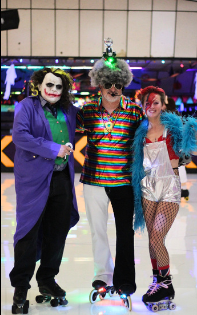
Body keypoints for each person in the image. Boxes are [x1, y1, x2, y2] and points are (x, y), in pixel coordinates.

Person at [129, 86, 197, 311]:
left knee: (156, 238)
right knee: (152, 241)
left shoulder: (174, 127)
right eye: (147, 102)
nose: (150, 106)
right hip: (147, 186)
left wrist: (194, 138)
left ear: (163, 105)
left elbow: (196, 145)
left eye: (155, 102)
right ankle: (157, 281)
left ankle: (166, 284)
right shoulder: (140, 131)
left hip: (169, 186)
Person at [10, 67, 80, 314]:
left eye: (59, 87)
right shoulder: (27, 106)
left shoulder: (68, 109)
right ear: (39, 84)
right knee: (28, 232)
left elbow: (93, 121)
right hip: (34, 179)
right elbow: (20, 136)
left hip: (61, 178)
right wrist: (54, 148)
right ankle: (20, 286)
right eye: (49, 85)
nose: (53, 90)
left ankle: (47, 279)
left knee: (57, 232)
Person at [77, 53, 143, 303]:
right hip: (93, 180)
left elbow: (145, 142)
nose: (113, 89)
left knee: (125, 232)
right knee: (97, 231)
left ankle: (125, 279)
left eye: (118, 84)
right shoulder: (87, 111)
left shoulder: (135, 112)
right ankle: (102, 276)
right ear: (100, 84)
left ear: (124, 84)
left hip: (124, 182)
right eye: (108, 84)